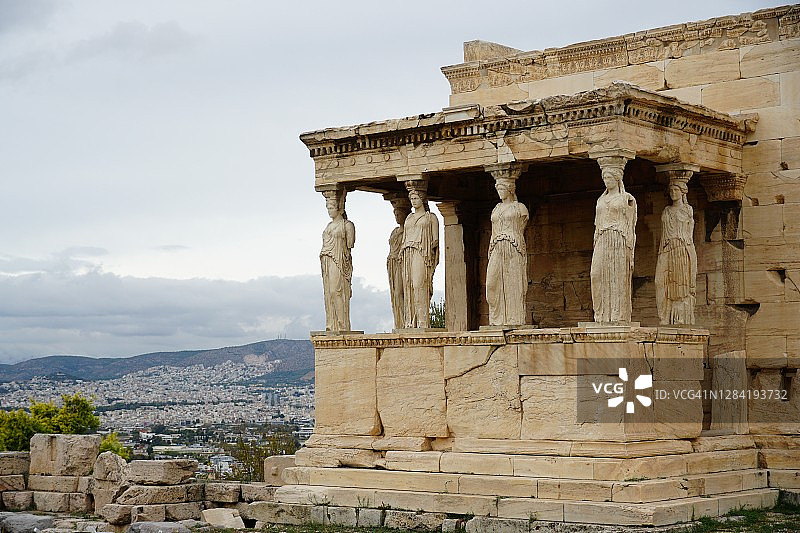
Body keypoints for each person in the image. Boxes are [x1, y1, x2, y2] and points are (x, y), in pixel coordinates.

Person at [590, 162, 637, 323]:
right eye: (604, 178)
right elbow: (597, 223)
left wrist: (629, 248)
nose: (606, 181)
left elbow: (631, 224)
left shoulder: (626, 199)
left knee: (617, 276)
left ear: (617, 179)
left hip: (618, 239)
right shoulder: (601, 200)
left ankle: (618, 315)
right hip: (602, 238)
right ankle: (601, 314)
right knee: (596, 274)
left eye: (609, 178)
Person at [487, 178, 529, 325]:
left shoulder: (520, 208)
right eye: (498, 189)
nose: (499, 192)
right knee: (491, 284)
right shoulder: (496, 208)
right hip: (496, 247)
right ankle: (497, 319)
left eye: (502, 189)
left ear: (510, 189)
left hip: (513, 246)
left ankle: (514, 319)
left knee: (513, 283)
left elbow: (521, 226)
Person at [655, 181, 697, 324]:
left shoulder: (687, 210)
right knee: (661, 282)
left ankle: (680, 318)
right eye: (671, 190)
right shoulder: (666, 211)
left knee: (680, 283)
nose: (673, 193)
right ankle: (665, 315)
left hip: (681, 249)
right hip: (667, 249)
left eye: (676, 190)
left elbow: (689, 234)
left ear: (683, 192)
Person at [401, 187, 439, 328]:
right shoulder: (409, 218)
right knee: (409, 286)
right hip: (407, 252)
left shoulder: (430, 217)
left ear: (422, 199)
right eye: (411, 199)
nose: (413, 201)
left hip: (422, 252)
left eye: (416, 198)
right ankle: (410, 322)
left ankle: (423, 321)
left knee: (419, 284)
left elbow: (435, 240)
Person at [320, 191, 355, 331]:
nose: (329, 211)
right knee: (329, 292)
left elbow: (350, 244)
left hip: (339, 260)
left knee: (336, 291)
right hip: (327, 259)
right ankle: (332, 323)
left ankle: (343, 323)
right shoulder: (328, 225)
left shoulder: (347, 225)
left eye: (331, 207)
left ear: (339, 208)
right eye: (328, 208)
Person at [387, 197, 411, 329]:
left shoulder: (408, 230)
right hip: (392, 263)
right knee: (395, 293)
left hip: (403, 262)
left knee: (401, 292)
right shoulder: (395, 231)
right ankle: (399, 322)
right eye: (395, 214)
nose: (396, 217)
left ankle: (406, 322)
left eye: (399, 214)